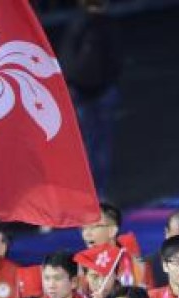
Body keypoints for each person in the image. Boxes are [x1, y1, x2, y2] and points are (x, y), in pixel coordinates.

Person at [59, 0, 122, 194]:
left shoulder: (77, 23)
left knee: (85, 144)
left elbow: (67, 59)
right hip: (96, 91)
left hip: (83, 90)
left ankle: (85, 191)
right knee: (98, 145)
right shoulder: (105, 25)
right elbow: (115, 59)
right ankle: (94, 192)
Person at [79, 202, 146, 287]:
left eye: (93, 227)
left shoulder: (134, 264)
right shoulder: (81, 265)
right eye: (83, 228)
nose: (86, 233)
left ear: (112, 231)